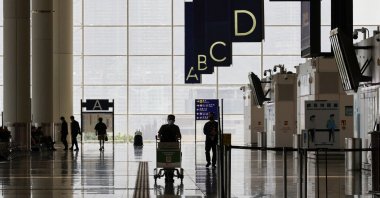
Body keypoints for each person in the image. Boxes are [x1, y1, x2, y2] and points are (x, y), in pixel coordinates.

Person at [157, 114, 182, 183]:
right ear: (167, 120)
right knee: (165, 160)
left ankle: (170, 175)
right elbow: (159, 134)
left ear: (174, 120)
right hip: (164, 145)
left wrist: (178, 137)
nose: (171, 120)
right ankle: (167, 174)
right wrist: (159, 137)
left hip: (173, 145)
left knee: (172, 160)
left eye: (172, 119)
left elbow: (179, 135)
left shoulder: (176, 127)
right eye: (170, 119)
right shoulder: (163, 127)